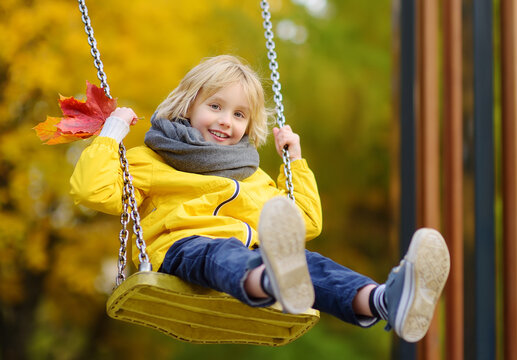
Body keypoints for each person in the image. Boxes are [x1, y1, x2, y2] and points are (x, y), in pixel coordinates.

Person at [70, 55, 450, 343]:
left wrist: (295, 163)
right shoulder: (152, 160)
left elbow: (306, 224)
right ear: (187, 104)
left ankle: (382, 300)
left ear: (248, 125)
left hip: (250, 250)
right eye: (215, 106)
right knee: (221, 254)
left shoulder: (252, 175)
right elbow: (94, 191)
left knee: (310, 262)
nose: (226, 121)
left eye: (239, 114)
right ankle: (271, 279)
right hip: (182, 249)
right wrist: (111, 134)